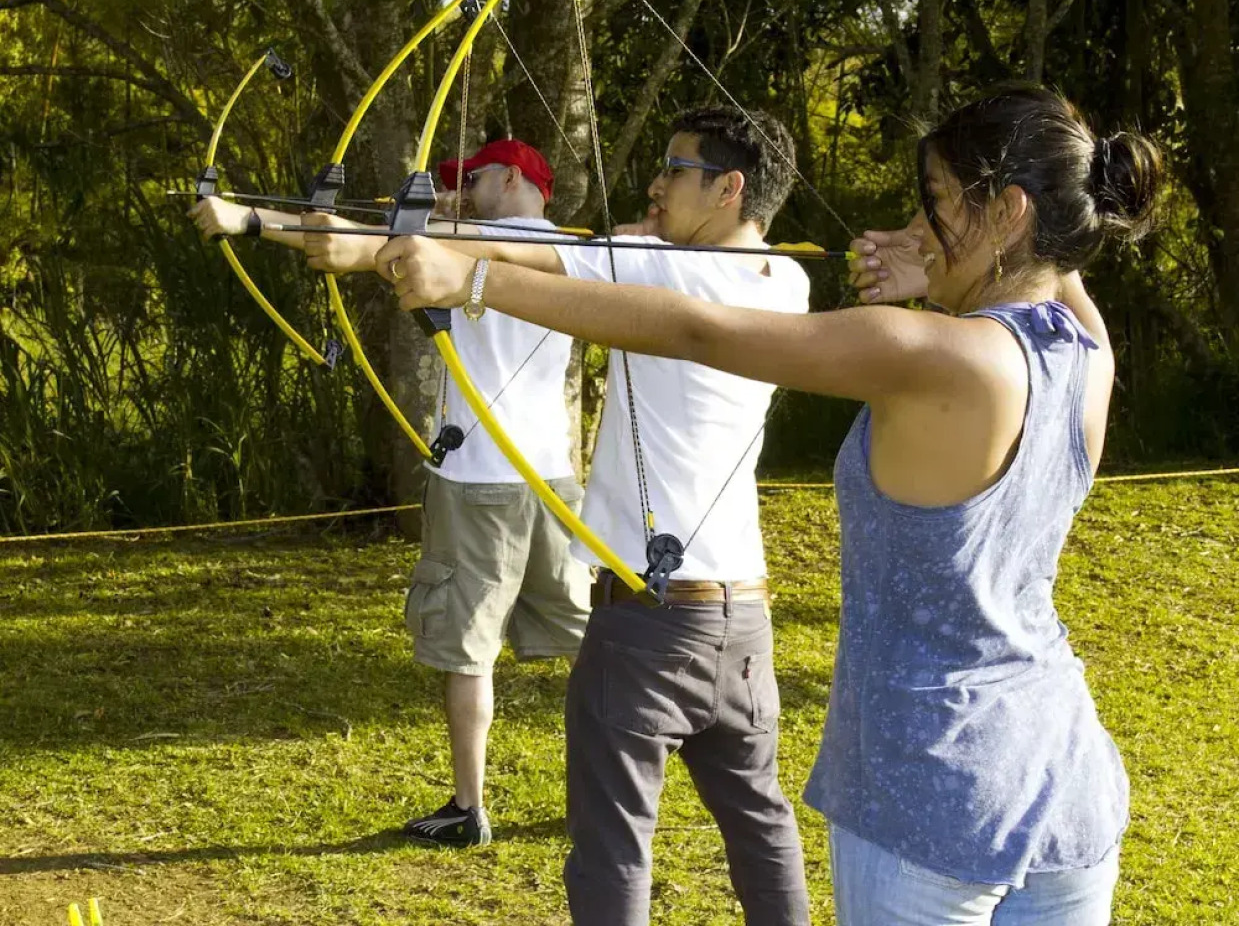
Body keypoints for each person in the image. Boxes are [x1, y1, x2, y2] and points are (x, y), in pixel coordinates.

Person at [378, 85, 1159, 926]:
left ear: (1008, 211)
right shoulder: (1087, 356)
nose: (918, 226)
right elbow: (1049, 272)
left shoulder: (928, 352)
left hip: (929, 798)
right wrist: (946, 262)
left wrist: (475, 278)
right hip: (1067, 785)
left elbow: (697, 331)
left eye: (933, 205)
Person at [376, 107, 813, 926]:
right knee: (760, 824)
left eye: (674, 170)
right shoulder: (786, 280)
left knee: (613, 845)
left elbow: (518, 251)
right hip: (743, 621)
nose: (654, 182)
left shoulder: (655, 269)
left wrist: (446, 263)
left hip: (647, 624)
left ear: (729, 188)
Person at [191, 140, 588, 848]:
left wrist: (249, 220)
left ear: (513, 177)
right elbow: (349, 246)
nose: (457, 193)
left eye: (468, 181)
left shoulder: (471, 242)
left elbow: (355, 244)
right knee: (590, 643)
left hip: (479, 486)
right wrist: (357, 232)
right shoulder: (569, 254)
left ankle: (468, 808)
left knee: (467, 650)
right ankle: (607, 794)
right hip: (550, 478)